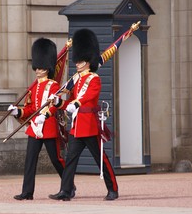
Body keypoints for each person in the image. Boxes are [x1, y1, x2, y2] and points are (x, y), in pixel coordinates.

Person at [48, 28, 119, 201]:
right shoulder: (76, 80)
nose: (77, 64)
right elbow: (69, 103)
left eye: (80, 61)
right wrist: (59, 103)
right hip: (77, 127)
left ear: (88, 61)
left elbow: (89, 96)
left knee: (101, 159)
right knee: (70, 159)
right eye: (77, 61)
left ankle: (113, 189)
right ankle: (66, 190)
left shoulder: (93, 78)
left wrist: (76, 103)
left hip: (90, 126)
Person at [8, 38, 71, 200]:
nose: (37, 70)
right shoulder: (34, 86)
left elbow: (53, 105)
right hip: (35, 128)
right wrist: (17, 111)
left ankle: (68, 186)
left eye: (41, 67)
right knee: (30, 160)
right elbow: (30, 108)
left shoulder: (53, 86)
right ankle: (27, 192)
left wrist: (44, 116)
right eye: (37, 67)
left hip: (48, 126)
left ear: (47, 68)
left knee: (56, 160)